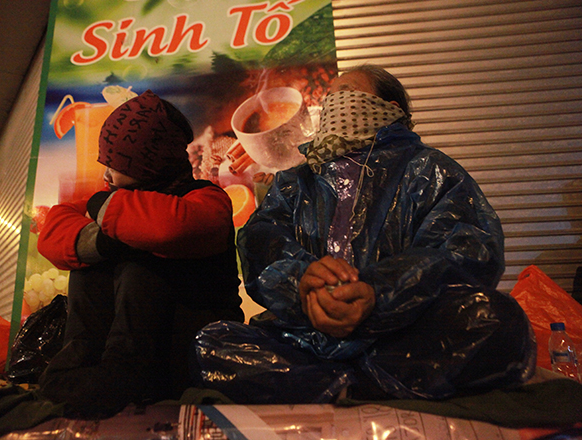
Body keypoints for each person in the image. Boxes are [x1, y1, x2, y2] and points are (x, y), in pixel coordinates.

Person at [192, 64, 536, 404]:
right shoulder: (297, 181)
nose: (333, 105)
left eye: (346, 94)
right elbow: (262, 244)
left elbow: (467, 250)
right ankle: (374, 382)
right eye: (330, 98)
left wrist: (379, 292)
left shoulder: (430, 170)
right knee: (213, 343)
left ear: (389, 108)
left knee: (499, 320)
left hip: (404, 332)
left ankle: (332, 383)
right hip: (309, 335)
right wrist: (303, 284)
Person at [36, 90, 244, 417]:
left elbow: (168, 228)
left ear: (148, 165)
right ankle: (77, 366)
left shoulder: (208, 199)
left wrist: (105, 219)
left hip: (192, 354)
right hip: (120, 359)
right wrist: (104, 238)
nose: (105, 175)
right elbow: (54, 231)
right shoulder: (111, 197)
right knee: (91, 263)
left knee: (140, 259)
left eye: (114, 165)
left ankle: (122, 373)